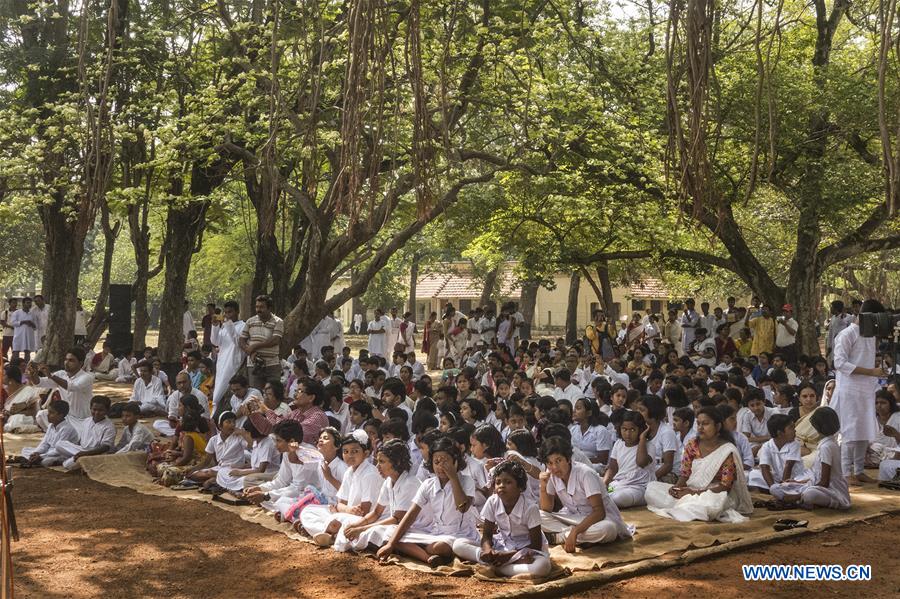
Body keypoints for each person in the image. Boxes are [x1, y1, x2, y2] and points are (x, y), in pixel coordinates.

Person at [377, 436, 479, 567]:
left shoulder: (466, 481)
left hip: (460, 535)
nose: (441, 466)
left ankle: (421, 550)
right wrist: (391, 544)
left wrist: (453, 477)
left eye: (445, 462)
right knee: (390, 532)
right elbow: (411, 514)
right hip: (434, 533)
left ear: (456, 462)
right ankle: (428, 557)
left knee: (440, 547)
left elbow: (462, 507)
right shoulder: (428, 484)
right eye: (437, 462)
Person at [644, 407, 753, 522]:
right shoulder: (692, 445)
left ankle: (688, 506)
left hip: (715, 494)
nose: (700, 427)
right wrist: (677, 488)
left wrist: (693, 493)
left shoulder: (727, 450)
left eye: (705, 424)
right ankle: (687, 506)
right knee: (652, 488)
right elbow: (685, 474)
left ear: (717, 426)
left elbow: (725, 486)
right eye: (698, 423)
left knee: (709, 504)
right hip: (691, 489)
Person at [452, 461, 552, 578]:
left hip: (526, 551)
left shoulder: (530, 508)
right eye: (498, 482)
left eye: (508, 482)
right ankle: (498, 563)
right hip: (501, 546)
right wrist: (487, 550)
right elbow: (487, 534)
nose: (501, 486)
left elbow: (536, 545)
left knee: (542, 567)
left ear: (520, 487)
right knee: (458, 544)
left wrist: (510, 556)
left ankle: (496, 568)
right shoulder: (492, 501)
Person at [538, 436, 632, 552]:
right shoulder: (550, 473)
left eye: (558, 461)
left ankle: (560, 537)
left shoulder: (585, 473)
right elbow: (546, 509)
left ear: (568, 459)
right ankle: (576, 536)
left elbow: (599, 512)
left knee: (608, 529)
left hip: (598, 520)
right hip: (573, 518)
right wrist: (543, 487)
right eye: (550, 463)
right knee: (537, 515)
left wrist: (576, 531)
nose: (555, 467)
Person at [830, 298, 883, 485]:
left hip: (866, 389)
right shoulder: (846, 334)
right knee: (850, 430)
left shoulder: (870, 336)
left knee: (864, 429)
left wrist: (876, 370)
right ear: (867, 316)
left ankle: (859, 470)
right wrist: (871, 372)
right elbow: (839, 364)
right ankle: (846, 472)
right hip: (850, 389)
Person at [299, 429, 383, 547]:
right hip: (348, 514)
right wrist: (347, 509)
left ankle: (331, 534)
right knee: (308, 511)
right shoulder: (349, 471)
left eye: (354, 451)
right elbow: (340, 504)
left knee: (337, 520)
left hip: (365, 520)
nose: (349, 455)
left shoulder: (370, 474)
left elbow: (365, 511)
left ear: (366, 453)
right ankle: (330, 533)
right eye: (346, 451)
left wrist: (343, 511)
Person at [334, 438, 420, 552]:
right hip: (395, 525)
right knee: (351, 525)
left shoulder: (410, 483)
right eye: (378, 461)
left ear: (397, 462)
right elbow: (376, 512)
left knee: (378, 532)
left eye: (382, 462)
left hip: (414, 528)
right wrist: (357, 525)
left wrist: (362, 528)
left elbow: (397, 519)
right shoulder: (388, 481)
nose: (378, 466)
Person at [769, 407, 850, 510]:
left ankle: (797, 499)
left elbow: (824, 482)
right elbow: (816, 475)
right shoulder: (826, 443)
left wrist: (799, 493)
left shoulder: (826, 447)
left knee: (810, 494)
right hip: (815, 485)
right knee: (775, 488)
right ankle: (802, 500)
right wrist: (798, 483)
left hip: (832, 490)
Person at [603, 411, 655, 508]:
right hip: (618, 484)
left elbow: (641, 462)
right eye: (624, 429)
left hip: (639, 488)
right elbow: (612, 468)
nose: (628, 434)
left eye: (632, 430)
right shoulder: (618, 443)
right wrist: (604, 483)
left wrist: (642, 438)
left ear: (640, 430)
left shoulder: (649, 445)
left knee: (618, 498)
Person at [34, 347, 94, 431]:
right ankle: (56, 433)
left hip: (81, 421)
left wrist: (51, 376)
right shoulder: (61, 374)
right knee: (41, 415)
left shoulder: (87, 377)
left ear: (80, 363)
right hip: (66, 417)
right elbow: (41, 382)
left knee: (77, 433)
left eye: (71, 360)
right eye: (66, 359)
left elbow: (72, 387)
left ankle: (61, 433)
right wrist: (33, 375)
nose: (66, 363)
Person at [53, 396, 116, 471]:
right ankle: (78, 458)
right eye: (94, 409)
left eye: (100, 410)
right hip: (82, 450)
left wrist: (86, 454)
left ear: (107, 411)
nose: (96, 413)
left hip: (96, 454)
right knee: (59, 444)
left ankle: (78, 459)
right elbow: (81, 440)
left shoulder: (109, 426)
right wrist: (81, 452)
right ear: (90, 408)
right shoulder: (86, 421)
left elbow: (105, 447)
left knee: (68, 465)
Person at [747, 414, 804, 492]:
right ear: (780, 433)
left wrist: (783, 487)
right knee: (754, 474)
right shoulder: (767, 446)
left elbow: (788, 466)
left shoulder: (795, 444)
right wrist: (773, 487)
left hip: (794, 478)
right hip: (777, 479)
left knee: (803, 482)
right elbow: (764, 467)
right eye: (791, 428)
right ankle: (774, 490)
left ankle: (781, 491)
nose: (795, 430)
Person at [16, 401, 80, 467]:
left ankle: (35, 460)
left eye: (51, 413)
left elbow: (58, 450)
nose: (47, 415)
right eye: (48, 412)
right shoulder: (50, 426)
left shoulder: (67, 428)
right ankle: (34, 459)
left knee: (46, 462)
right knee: (25, 450)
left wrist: (41, 456)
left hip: (61, 454)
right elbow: (45, 443)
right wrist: (36, 453)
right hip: (48, 452)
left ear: (60, 415)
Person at [240, 295, 284, 390]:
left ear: (269, 308)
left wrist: (255, 346)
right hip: (254, 365)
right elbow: (242, 340)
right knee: (255, 393)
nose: (258, 309)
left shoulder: (278, 321)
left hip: (272, 364)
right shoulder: (250, 321)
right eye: (257, 307)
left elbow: (275, 340)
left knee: (274, 392)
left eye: (261, 307)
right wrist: (251, 352)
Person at [210, 300, 245, 413]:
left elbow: (238, 342)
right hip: (221, 363)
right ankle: (216, 414)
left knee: (221, 392)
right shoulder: (224, 327)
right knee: (218, 391)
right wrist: (215, 326)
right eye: (225, 312)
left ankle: (217, 415)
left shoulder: (243, 326)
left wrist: (228, 324)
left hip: (233, 362)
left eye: (230, 312)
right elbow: (215, 342)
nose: (227, 315)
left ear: (237, 312)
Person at [154, 372, 209, 436]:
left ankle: (181, 433)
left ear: (190, 382)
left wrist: (187, 422)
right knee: (157, 424)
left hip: (196, 426)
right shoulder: (175, 395)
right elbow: (172, 415)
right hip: (180, 424)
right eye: (179, 383)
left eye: (184, 382)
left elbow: (205, 418)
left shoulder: (199, 395)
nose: (182, 385)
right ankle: (181, 433)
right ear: (176, 385)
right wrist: (173, 420)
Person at [2, 364, 41, 433]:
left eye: (4, 375)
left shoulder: (28, 390)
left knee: (16, 418)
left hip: (24, 420)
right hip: (9, 419)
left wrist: (17, 412)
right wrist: (6, 413)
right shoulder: (4, 389)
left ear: (11, 379)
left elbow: (35, 412)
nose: (1, 376)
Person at [11, 297, 36, 362]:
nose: (29, 304)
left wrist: (31, 324)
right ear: (23, 303)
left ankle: (26, 366)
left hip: (29, 336)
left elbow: (35, 326)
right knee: (16, 352)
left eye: (30, 303)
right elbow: (13, 323)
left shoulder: (33, 313)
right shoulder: (17, 313)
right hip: (19, 336)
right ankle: (15, 366)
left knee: (27, 352)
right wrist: (24, 322)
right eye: (28, 303)